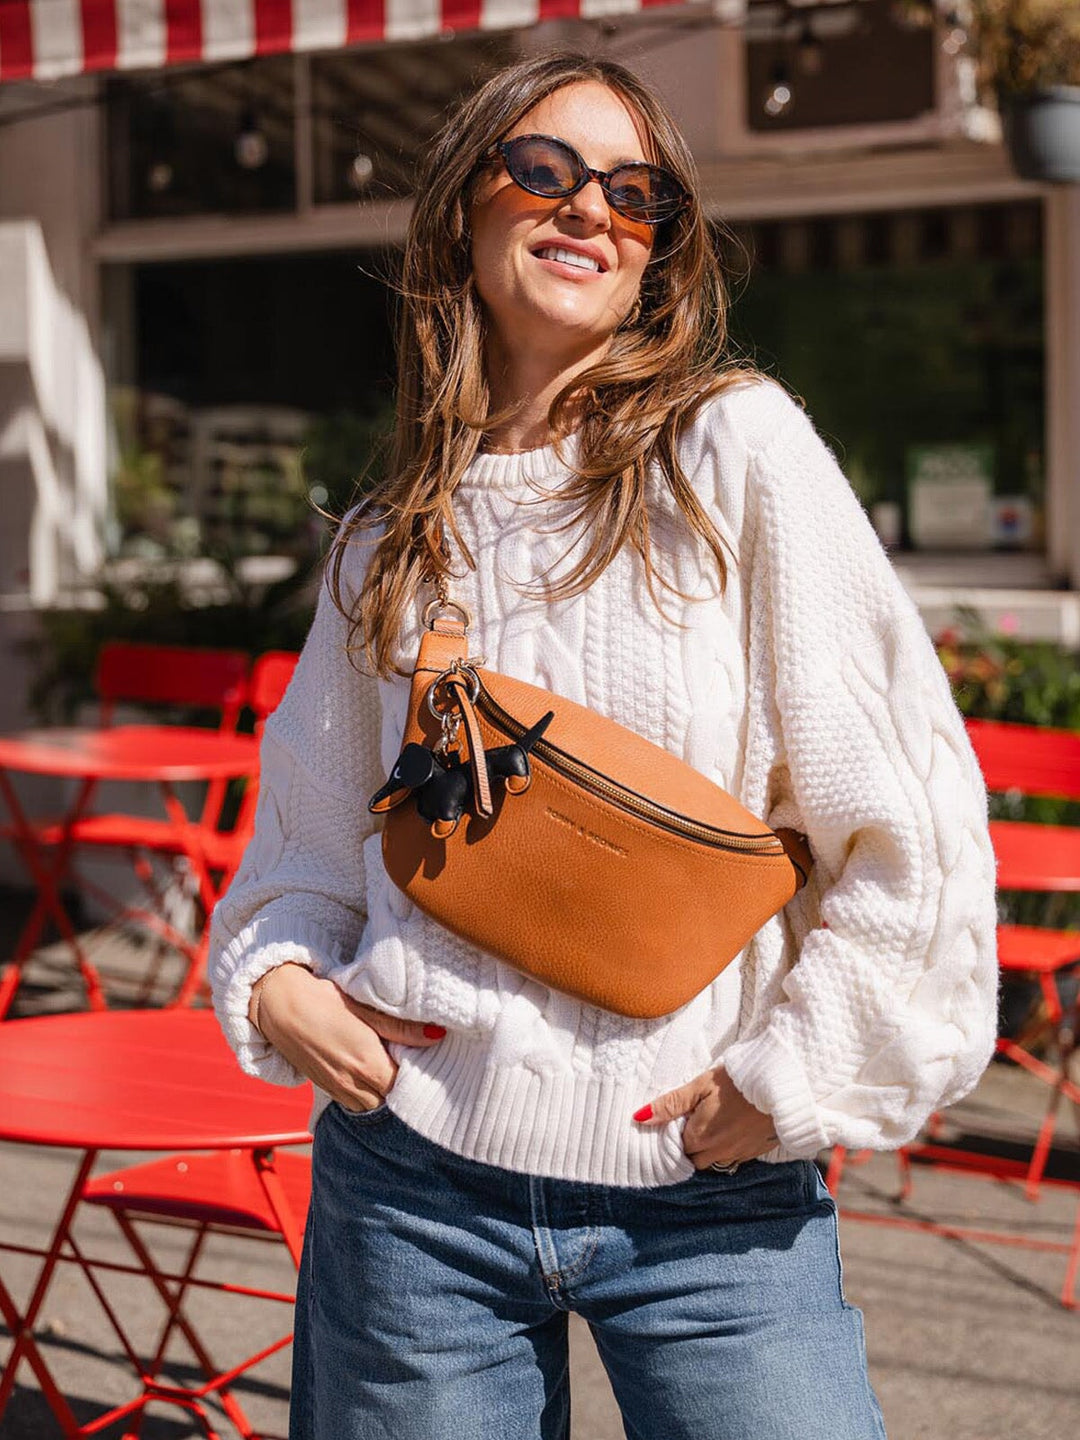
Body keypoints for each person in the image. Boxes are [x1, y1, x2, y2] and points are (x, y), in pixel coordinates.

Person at [209, 51, 998, 1440]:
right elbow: (303, 853)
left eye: (637, 195)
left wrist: (789, 1077)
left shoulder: (733, 453)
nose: (591, 209)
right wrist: (277, 982)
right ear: (465, 204)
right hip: (412, 1190)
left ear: (659, 255)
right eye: (546, 169)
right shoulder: (389, 538)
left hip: (707, 1189)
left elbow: (909, 822)